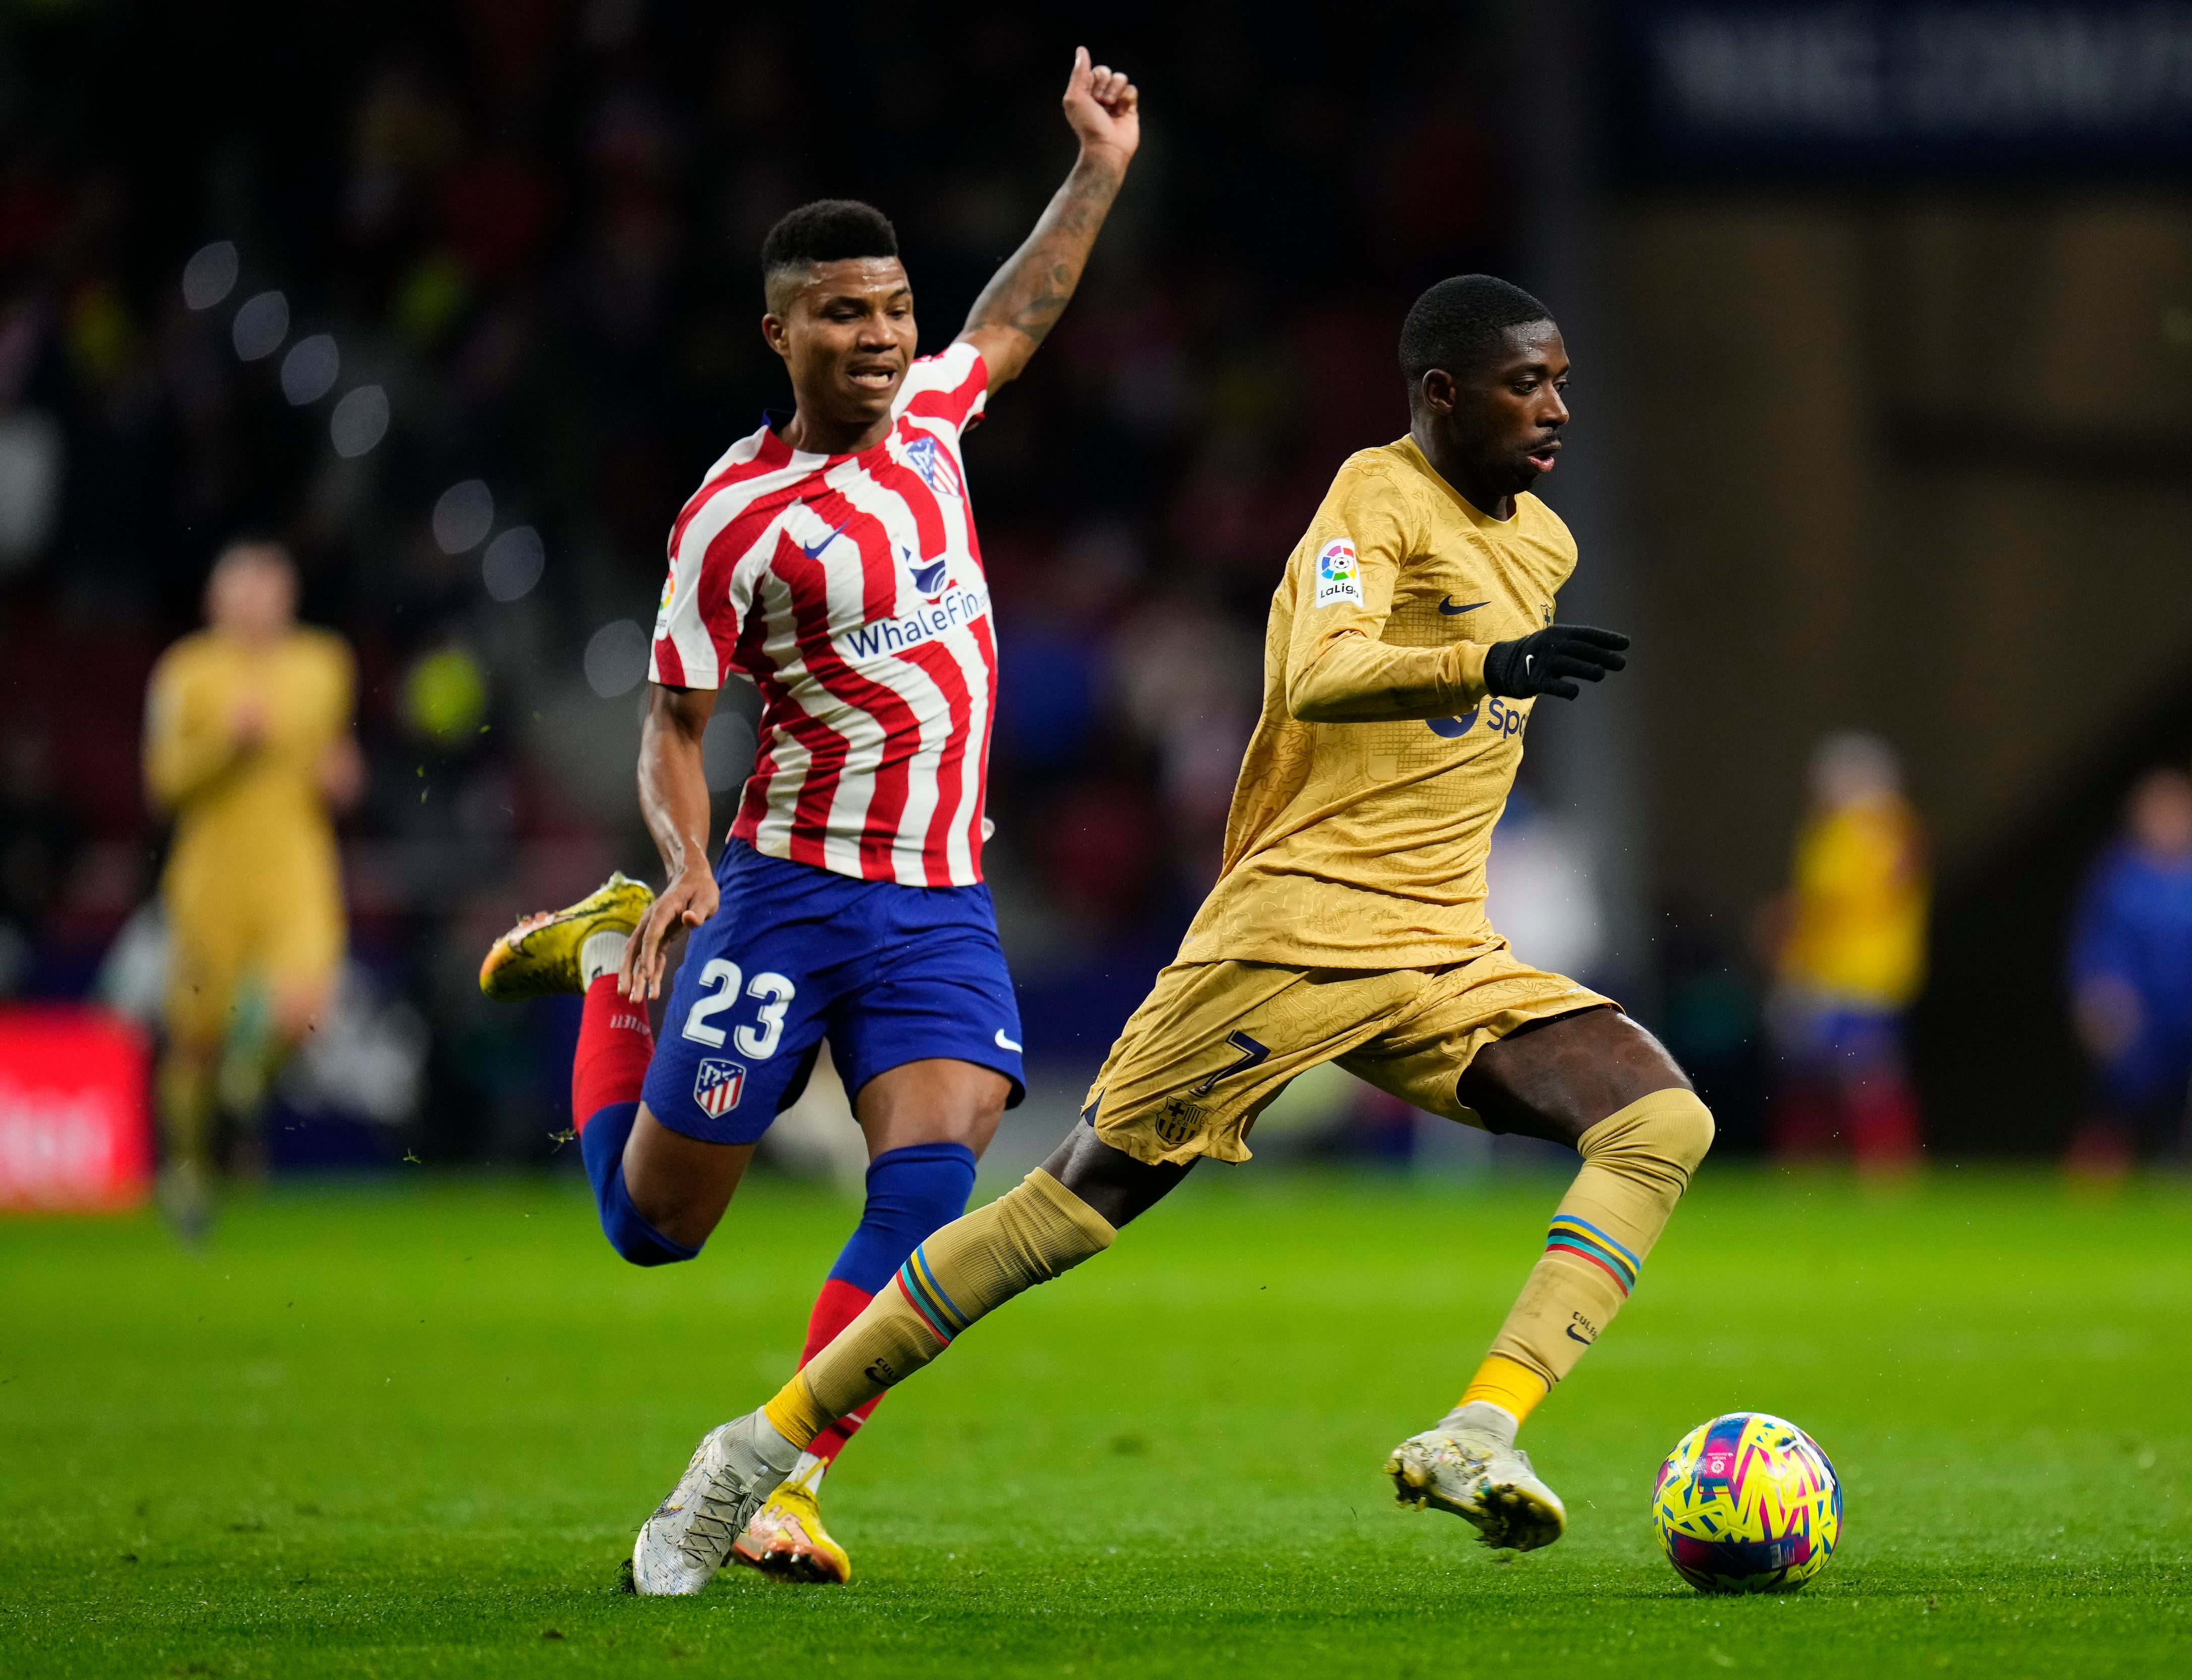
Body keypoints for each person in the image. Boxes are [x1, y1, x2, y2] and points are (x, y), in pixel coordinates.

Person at [621, 271, 1714, 1598]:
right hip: (1294, 932)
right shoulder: (1379, 498)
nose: (1554, 407)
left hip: (1442, 945)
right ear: (1441, 394)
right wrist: (1482, 665)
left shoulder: (1542, 542)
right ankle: (750, 1453)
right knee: (1063, 1216)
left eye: (1560, 382)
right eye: (1524, 383)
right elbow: (1319, 669)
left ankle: (1477, 1427)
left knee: (1661, 1120)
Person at [475, 48, 1139, 1583]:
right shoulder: (732, 519)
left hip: (936, 903)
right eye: (845, 313)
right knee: (656, 1226)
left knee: (932, 1183)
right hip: (783, 891)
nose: (882, 337)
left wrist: (1096, 170)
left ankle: (782, 1474)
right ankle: (602, 972)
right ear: (777, 332)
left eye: (894, 309)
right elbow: (672, 721)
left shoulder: (934, 421)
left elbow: (1017, 313)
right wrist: (685, 862)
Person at [142, 539, 361, 1241]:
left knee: (304, 1006)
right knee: (195, 1037)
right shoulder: (186, 671)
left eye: (271, 590)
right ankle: (188, 1168)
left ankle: (245, 1089)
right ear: (216, 600)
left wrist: (342, 777)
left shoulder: (324, 665)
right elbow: (162, 781)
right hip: (211, 872)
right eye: (244, 590)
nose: (259, 603)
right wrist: (222, 746)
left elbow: (335, 759)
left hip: (296, 863)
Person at [2064, 769, 2192, 1176]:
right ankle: (2104, 1161)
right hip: (2139, 1013)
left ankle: (2186, 1165)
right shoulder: (2121, 875)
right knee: (2124, 1083)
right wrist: (2100, 991)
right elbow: (2100, 941)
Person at [1762, 731, 1928, 1170]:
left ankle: (1886, 1167)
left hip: (1862, 974)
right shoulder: (1836, 830)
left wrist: (1791, 921)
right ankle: (1810, 1168)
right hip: (1825, 973)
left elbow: (1845, 898)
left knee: (1867, 1075)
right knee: (1813, 1074)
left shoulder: (1878, 829)